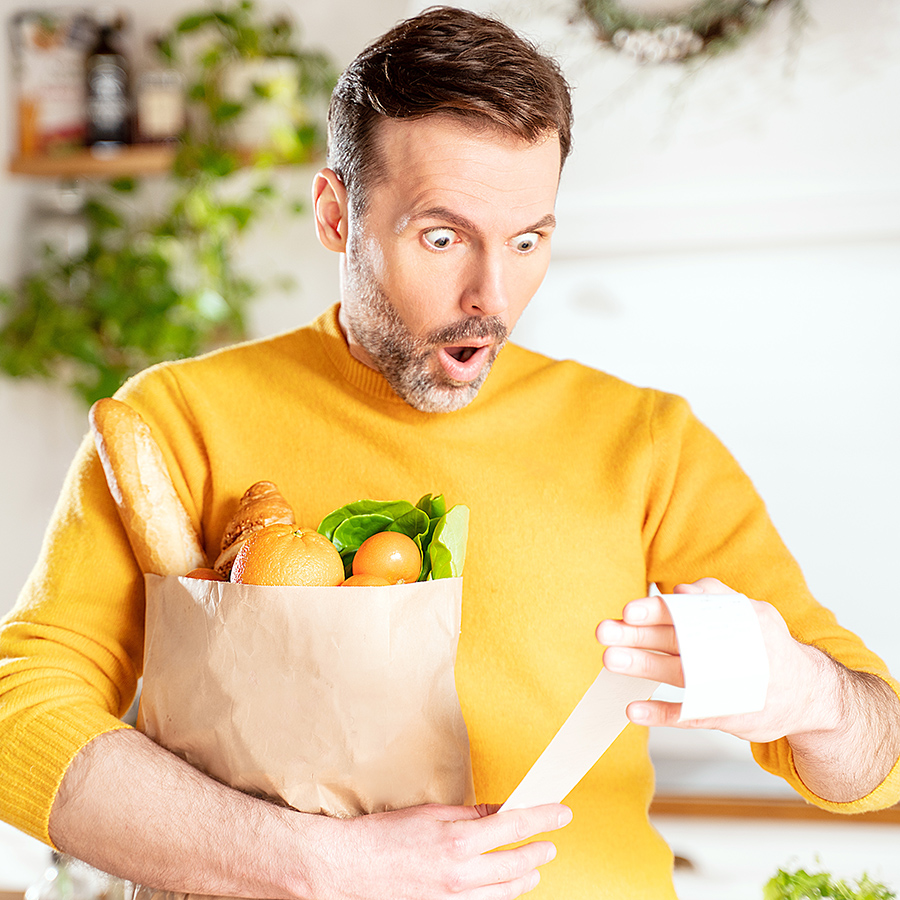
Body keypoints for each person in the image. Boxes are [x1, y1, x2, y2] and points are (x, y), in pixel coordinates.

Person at [2, 6, 899, 899]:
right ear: (335, 214)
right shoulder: (177, 420)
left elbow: (876, 762)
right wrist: (319, 866)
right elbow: (18, 716)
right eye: (443, 237)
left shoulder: (648, 442)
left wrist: (808, 695)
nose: (492, 297)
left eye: (527, 240)